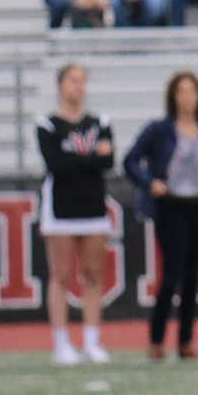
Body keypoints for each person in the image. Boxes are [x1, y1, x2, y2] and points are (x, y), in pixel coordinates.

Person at [124, 71, 198, 360]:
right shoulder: (159, 129)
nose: (187, 97)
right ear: (173, 97)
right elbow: (130, 161)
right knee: (172, 273)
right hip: (170, 206)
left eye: (192, 91)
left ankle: (185, 340)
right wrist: (150, 183)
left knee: (193, 276)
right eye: (182, 92)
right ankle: (156, 339)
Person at [35, 63, 116, 367]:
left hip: (93, 205)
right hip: (61, 207)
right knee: (61, 274)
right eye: (72, 80)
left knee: (93, 273)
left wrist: (77, 159)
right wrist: (91, 158)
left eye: (82, 81)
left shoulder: (100, 122)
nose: (78, 86)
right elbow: (56, 165)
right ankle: (61, 343)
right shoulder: (47, 124)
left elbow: (108, 162)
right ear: (60, 85)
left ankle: (92, 341)